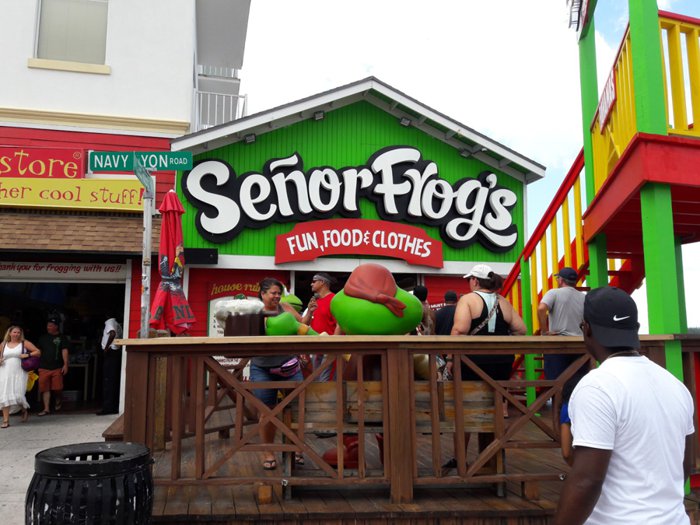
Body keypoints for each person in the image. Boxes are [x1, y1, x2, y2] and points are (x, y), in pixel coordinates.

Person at [554, 287, 694, 525]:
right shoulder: (676, 385)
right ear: (635, 329)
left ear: (587, 329)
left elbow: (587, 480)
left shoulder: (597, 386)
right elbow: (685, 464)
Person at [444, 264, 526, 472]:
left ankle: (460, 458)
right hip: (501, 363)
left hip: (472, 362)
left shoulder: (468, 300)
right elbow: (521, 330)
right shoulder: (503, 301)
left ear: (475, 280)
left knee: (464, 410)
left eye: (469, 279)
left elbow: (459, 330)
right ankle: (492, 458)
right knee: (494, 409)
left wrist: (450, 358)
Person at [251, 277, 304, 471]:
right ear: (262, 294)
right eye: (273, 293)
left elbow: (301, 326)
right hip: (262, 367)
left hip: (289, 365)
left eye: (279, 293)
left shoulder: (286, 308)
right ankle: (268, 452)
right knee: (267, 411)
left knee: (297, 408)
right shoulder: (255, 312)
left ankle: (296, 449)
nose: (276, 296)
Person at [537, 267, 585, 379]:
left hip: (558, 343)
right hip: (579, 344)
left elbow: (541, 309)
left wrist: (544, 331)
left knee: (555, 382)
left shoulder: (553, 293)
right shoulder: (584, 297)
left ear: (561, 280)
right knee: (577, 382)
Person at [0, 326, 41, 427]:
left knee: (18, 394)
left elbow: (38, 352)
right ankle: (6, 420)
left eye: (18, 332)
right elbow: (1, 357)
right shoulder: (3, 344)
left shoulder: (24, 343)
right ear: (10, 333)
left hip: (19, 372)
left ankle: (23, 409)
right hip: (5, 371)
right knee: (5, 393)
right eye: (14, 332)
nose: (16, 334)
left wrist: (28, 355)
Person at [301, 273, 338, 380]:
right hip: (316, 348)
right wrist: (309, 312)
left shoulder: (334, 300)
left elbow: (340, 325)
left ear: (322, 282)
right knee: (317, 381)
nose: (311, 284)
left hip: (329, 348)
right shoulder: (315, 301)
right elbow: (303, 325)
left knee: (325, 381)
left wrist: (335, 346)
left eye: (314, 281)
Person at [36, 317, 70, 416]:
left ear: (56, 327)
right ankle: (46, 409)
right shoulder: (43, 338)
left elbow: (64, 350)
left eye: (50, 326)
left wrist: (65, 364)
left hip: (57, 366)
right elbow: (38, 351)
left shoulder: (62, 337)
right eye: (48, 325)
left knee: (57, 388)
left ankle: (58, 398)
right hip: (43, 366)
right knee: (44, 389)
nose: (48, 327)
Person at [97, 317, 123, 415]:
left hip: (111, 352)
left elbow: (112, 333)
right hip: (116, 352)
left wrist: (106, 348)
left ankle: (107, 407)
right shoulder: (117, 324)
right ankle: (113, 406)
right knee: (113, 380)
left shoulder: (109, 321)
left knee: (108, 380)